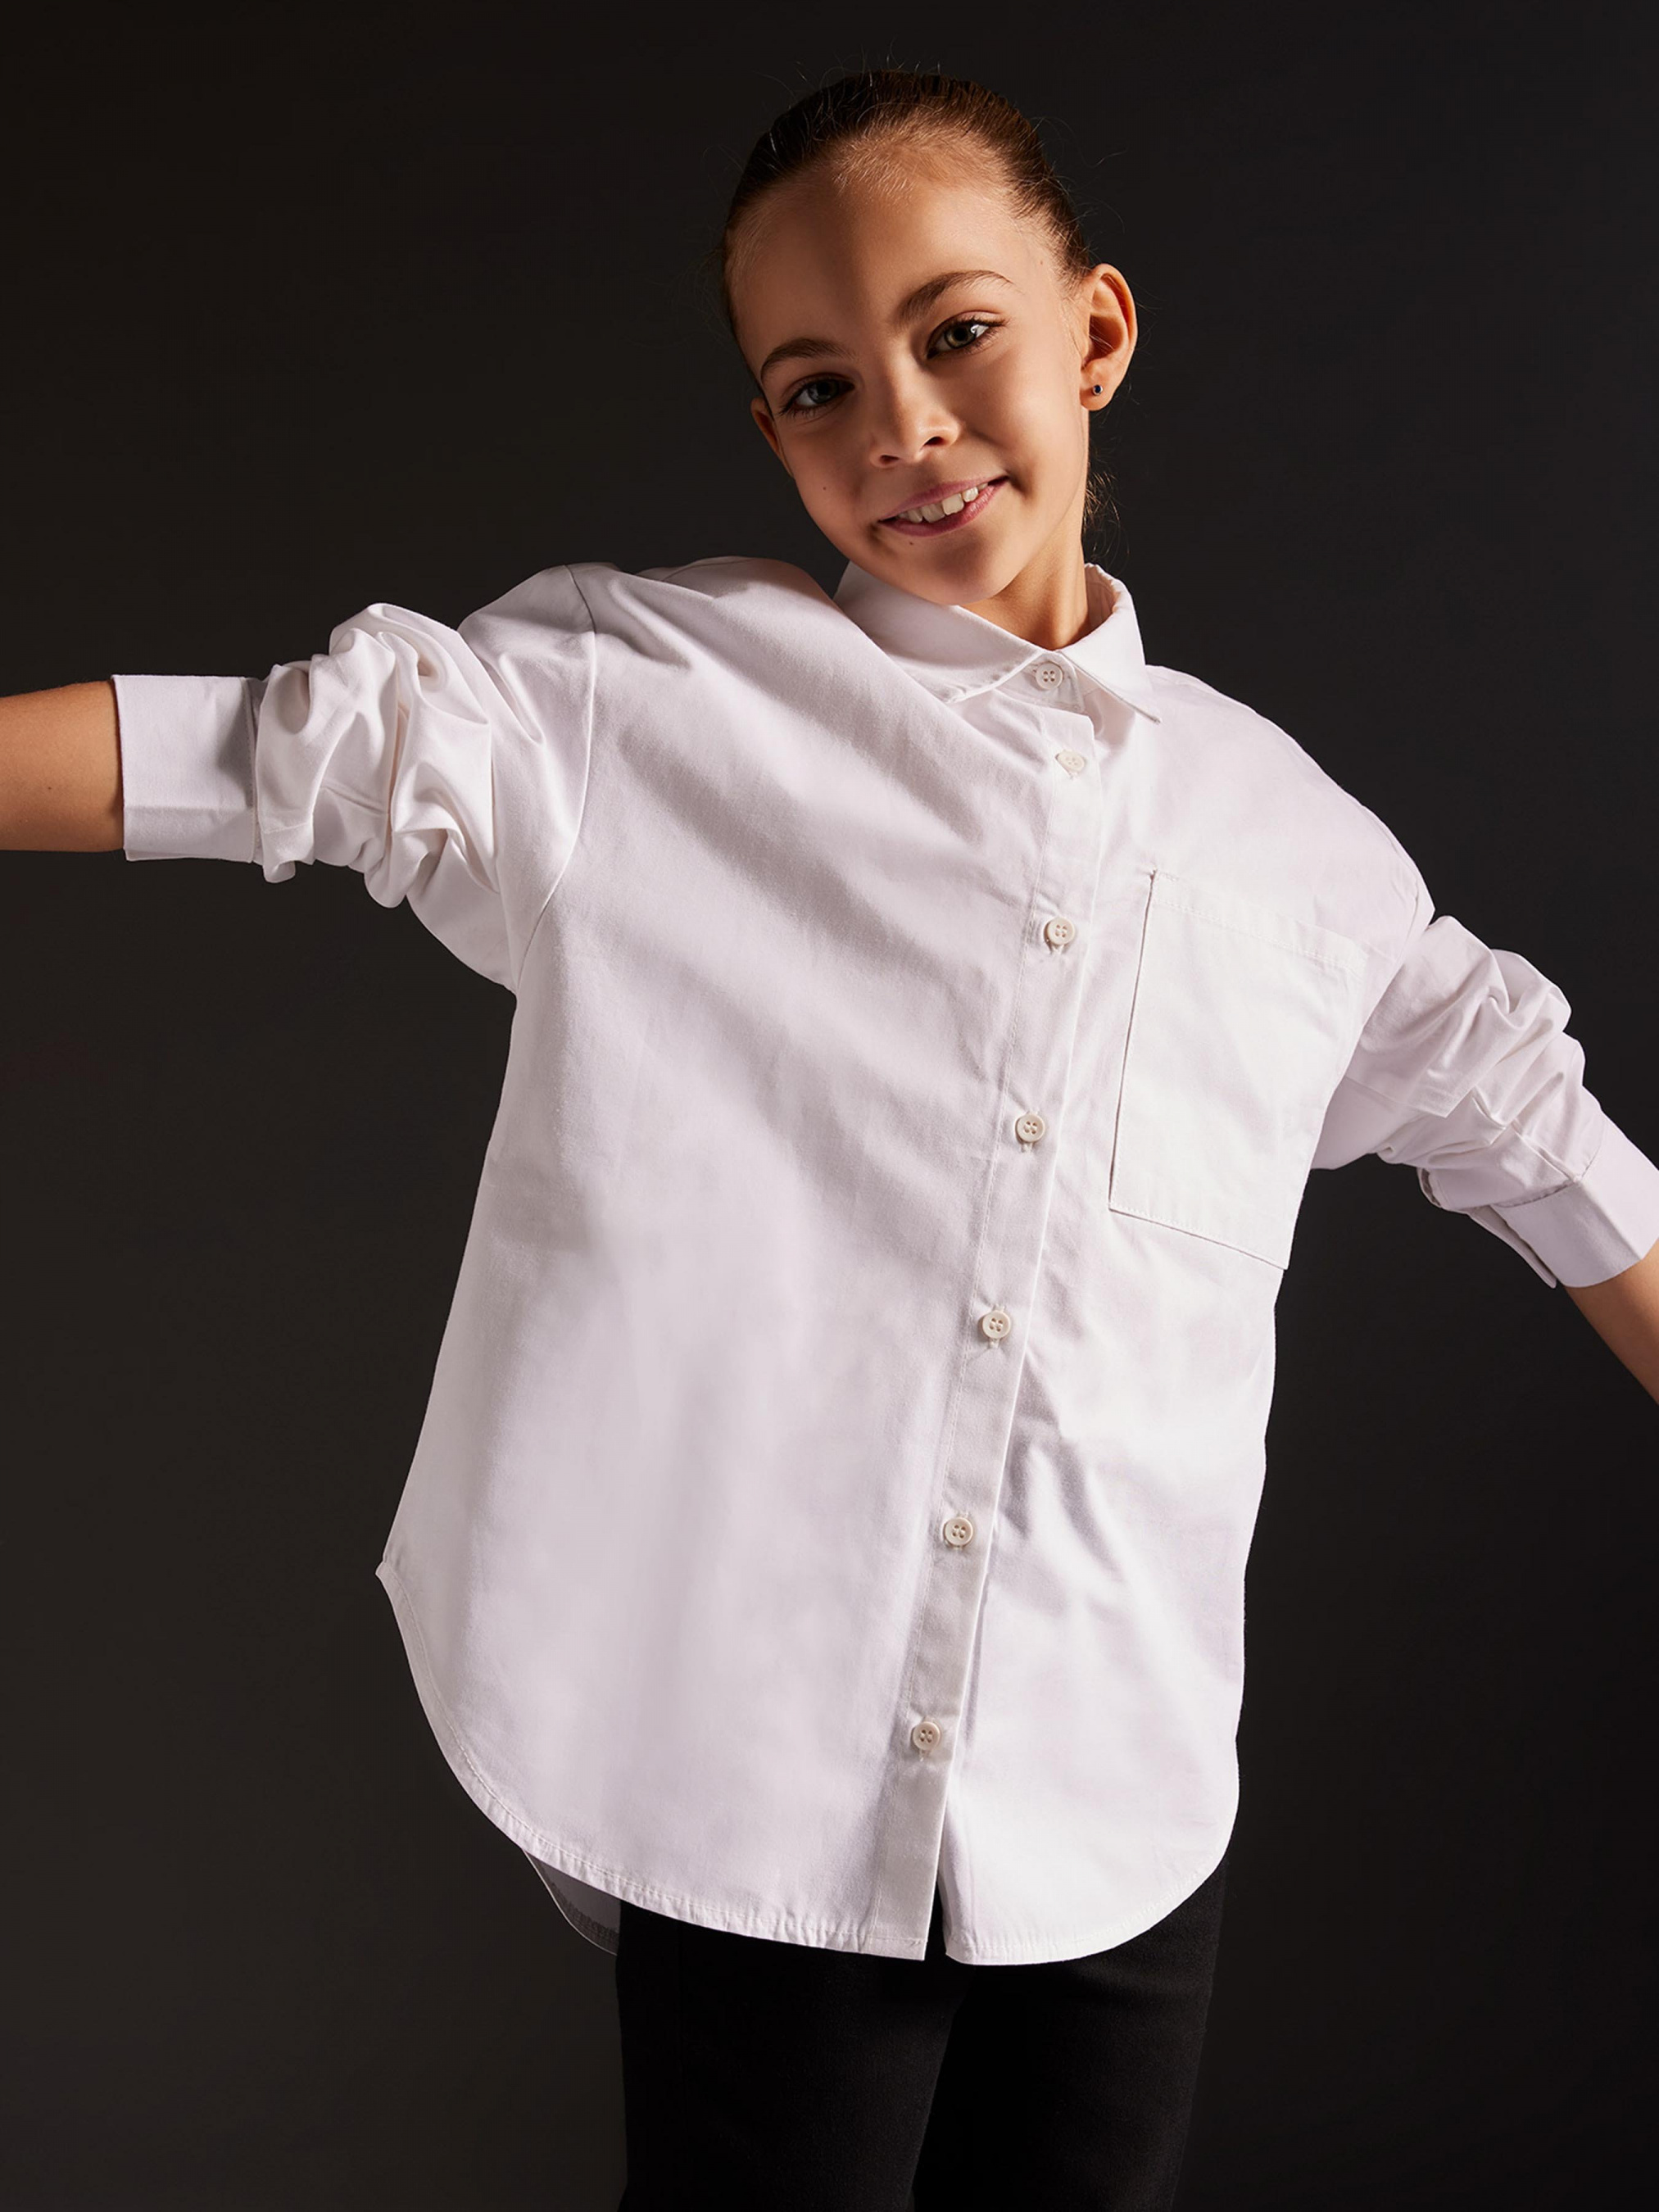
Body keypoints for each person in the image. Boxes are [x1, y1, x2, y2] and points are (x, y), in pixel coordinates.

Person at [4, 65, 1657, 2212]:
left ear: (1095, 330)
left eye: (956, 332)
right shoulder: (651, 699)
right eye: (816, 386)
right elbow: (281, 753)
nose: (902, 424)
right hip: (759, 1789)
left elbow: (1530, 1126)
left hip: (1118, 1812)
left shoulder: (1289, 841)